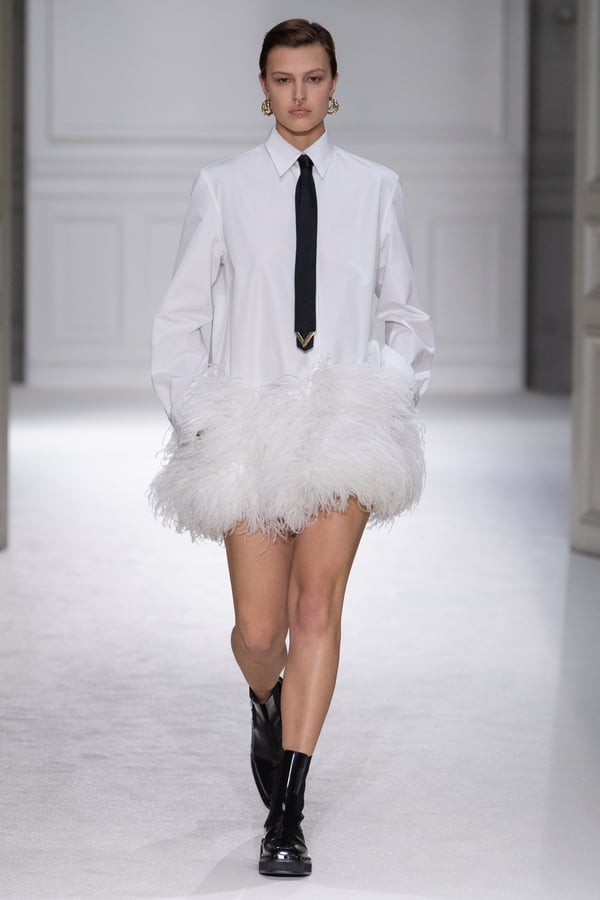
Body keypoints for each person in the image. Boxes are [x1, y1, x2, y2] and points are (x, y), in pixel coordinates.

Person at [149, 18, 433, 878]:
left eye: (313, 78)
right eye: (283, 79)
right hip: (248, 424)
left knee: (317, 610)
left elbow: (406, 314)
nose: (299, 95)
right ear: (263, 87)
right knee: (259, 629)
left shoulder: (376, 188)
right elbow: (180, 319)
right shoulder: (224, 187)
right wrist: (199, 420)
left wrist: (382, 394)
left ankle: (288, 813)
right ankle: (264, 698)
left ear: (334, 84)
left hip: (343, 425)